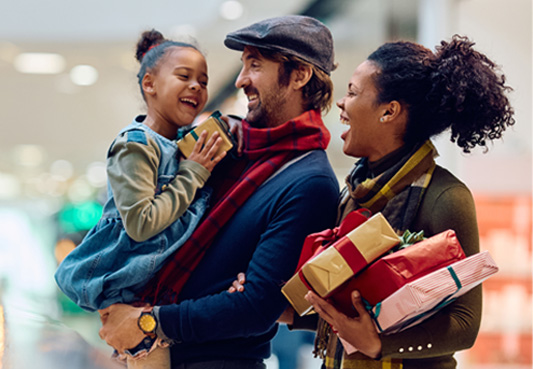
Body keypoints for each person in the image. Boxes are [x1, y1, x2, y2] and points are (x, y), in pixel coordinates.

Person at [231, 35, 515, 369]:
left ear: (389, 111)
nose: (341, 102)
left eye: (352, 91)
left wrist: (382, 345)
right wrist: (285, 311)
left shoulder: (446, 196)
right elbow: (353, 314)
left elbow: (464, 324)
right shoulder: (353, 191)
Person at [98, 15, 340, 369]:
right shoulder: (231, 150)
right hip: (152, 355)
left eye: (255, 65)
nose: (242, 79)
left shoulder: (310, 180)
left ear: (300, 76)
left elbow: (255, 307)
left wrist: (148, 322)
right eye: (244, 65)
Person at [55, 29, 227, 368]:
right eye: (184, 76)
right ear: (150, 84)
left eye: (203, 81)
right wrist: (192, 174)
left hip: (158, 293)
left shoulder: (182, 147)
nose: (197, 86)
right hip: (130, 296)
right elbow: (140, 223)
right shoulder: (135, 144)